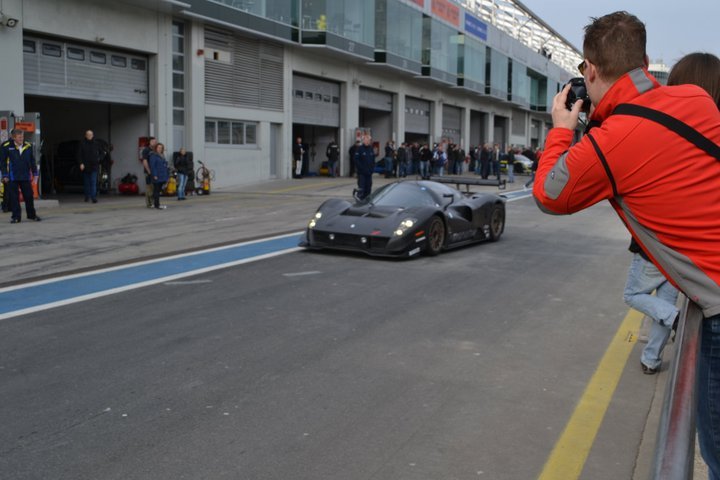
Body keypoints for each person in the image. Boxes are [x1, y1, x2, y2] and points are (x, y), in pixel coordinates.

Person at [532, 11, 720, 478]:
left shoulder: (611, 141)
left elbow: (550, 195)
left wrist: (560, 128)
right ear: (646, 60)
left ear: (590, 70)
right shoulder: (696, 98)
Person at [623, 238, 679, 374]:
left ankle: (677, 318)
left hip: (651, 254)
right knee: (664, 308)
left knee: (631, 296)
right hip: (677, 259)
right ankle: (650, 360)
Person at [0, 129, 41, 223]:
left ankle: (31, 215)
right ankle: (16, 217)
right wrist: (5, 175)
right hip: (12, 176)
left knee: (29, 196)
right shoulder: (6, 146)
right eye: (19, 137)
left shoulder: (28, 146)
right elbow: (2, 162)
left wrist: (35, 173)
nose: (21, 139)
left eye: (22, 137)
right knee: (14, 198)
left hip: (25, 176)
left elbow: (32, 160)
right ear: (13, 137)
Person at [76, 129, 103, 203]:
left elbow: (102, 153)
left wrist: (99, 158)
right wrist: (81, 163)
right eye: (88, 135)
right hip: (85, 166)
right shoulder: (82, 143)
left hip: (94, 166)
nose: (89, 136)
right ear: (85, 135)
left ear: (93, 135)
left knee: (93, 182)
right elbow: (79, 155)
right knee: (87, 183)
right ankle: (87, 196)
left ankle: (93, 197)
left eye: (90, 135)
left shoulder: (96, 143)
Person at [354, 133, 375, 200]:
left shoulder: (371, 149)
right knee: (361, 188)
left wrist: (372, 169)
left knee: (368, 188)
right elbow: (356, 160)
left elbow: (373, 160)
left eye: (368, 140)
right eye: (366, 140)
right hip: (362, 173)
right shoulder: (359, 149)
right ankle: (360, 201)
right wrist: (361, 169)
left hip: (369, 173)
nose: (367, 142)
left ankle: (367, 201)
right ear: (363, 141)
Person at [148, 143, 169, 210]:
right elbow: (152, 166)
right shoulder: (153, 155)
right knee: (156, 190)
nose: (160, 149)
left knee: (158, 190)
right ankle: (157, 205)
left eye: (161, 148)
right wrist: (154, 175)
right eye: (159, 147)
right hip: (157, 176)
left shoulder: (162, 155)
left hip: (162, 175)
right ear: (156, 148)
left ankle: (155, 204)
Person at [140, 137, 157, 208]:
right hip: (149, 172)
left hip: (155, 172)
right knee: (149, 187)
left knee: (154, 187)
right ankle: (149, 203)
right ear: (149, 142)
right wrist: (149, 171)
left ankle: (153, 202)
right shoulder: (146, 150)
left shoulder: (155, 150)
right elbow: (144, 161)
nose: (154, 142)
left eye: (155, 141)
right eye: (153, 141)